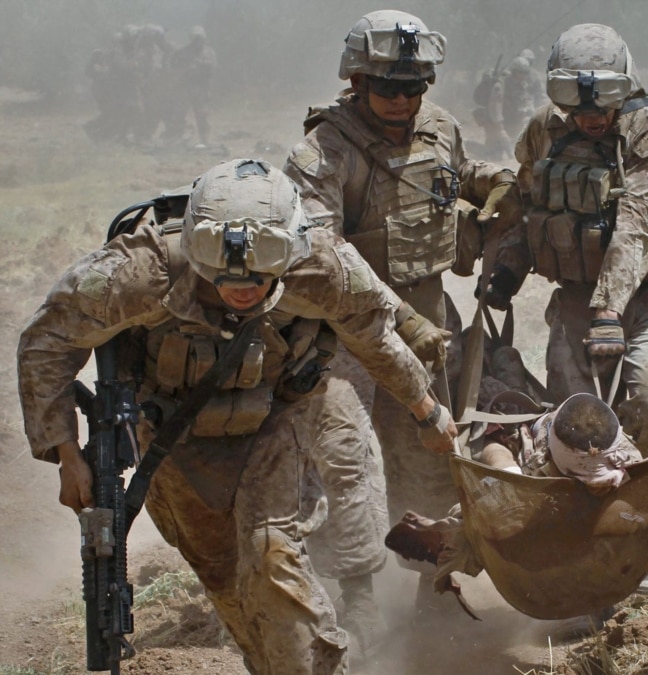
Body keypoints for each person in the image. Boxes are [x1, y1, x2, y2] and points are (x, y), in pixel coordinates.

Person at [17, 158, 457, 674]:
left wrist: (428, 413)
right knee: (224, 578)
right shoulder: (142, 271)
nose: (240, 283)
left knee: (271, 556)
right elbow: (47, 343)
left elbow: (376, 340)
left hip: (273, 422)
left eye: (263, 261)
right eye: (218, 262)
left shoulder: (322, 266)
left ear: (291, 247)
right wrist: (68, 453)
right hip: (171, 437)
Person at [283, 9, 522, 616]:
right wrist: (397, 316)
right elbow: (325, 251)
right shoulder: (323, 150)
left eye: (414, 87)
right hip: (345, 334)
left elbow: (453, 174)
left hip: (427, 320)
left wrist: (492, 182)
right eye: (389, 87)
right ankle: (343, 598)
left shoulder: (437, 127)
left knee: (431, 458)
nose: (402, 99)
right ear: (358, 82)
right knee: (347, 463)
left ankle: (429, 587)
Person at [483, 23, 648, 460]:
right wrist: (508, 269)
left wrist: (608, 312)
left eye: (605, 98)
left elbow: (638, 227)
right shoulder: (544, 130)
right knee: (574, 422)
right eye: (575, 101)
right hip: (578, 294)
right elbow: (529, 204)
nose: (591, 114)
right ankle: (584, 521)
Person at [387, 391, 648, 646]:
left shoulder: (642, 470)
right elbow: (496, 448)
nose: (598, 487)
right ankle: (445, 538)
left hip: (624, 546)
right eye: (586, 480)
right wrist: (510, 479)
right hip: (548, 540)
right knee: (487, 516)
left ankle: (597, 603)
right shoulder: (533, 451)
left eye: (603, 480)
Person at [164, 26, 217, 147]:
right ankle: (177, 137)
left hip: (201, 88)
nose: (197, 41)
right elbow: (173, 62)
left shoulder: (208, 52)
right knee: (180, 114)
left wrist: (198, 65)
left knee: (202, 115)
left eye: (199, 39)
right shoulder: (183, 52)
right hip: (186, 87)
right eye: (195, 39)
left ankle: (204, 139)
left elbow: (212, 67)